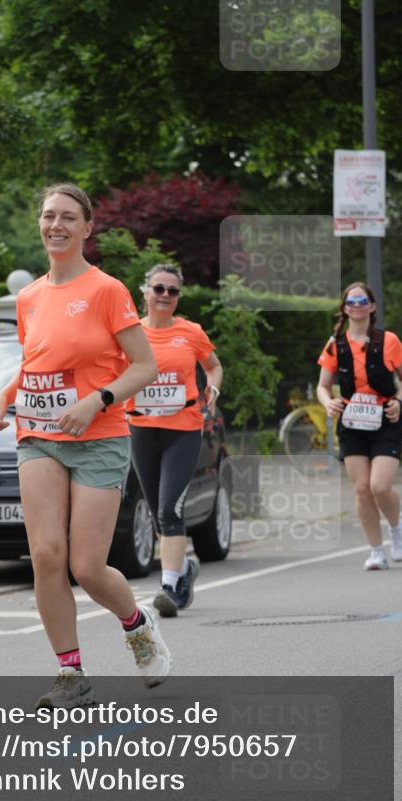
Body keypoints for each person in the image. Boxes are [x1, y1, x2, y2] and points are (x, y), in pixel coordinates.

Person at [0, 183, 171, 708]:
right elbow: (35, 363)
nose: (56, 225)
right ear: (39, 224)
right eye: (48, 216)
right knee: (45, 554)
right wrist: (3, 396)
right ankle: (71, 673)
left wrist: (98, 399)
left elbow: (145, 366)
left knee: (87, 567)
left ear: (88, 227)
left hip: (98, 437)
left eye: (68, 217)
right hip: (38, 435)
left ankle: (136, 623)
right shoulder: (29, 297)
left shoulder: (107, 290)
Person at [126, 264, 223, 617]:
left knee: (170, 508)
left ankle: (168, 586)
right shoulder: (129, 332)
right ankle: (183, 570)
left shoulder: (191, 332)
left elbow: (213, 365)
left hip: (183, 429)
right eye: (159, 289)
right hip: (141, 428)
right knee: (156, 511)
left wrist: (213, 386)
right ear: (145, 292)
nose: (165, 296)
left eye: (172, 291)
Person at [317, 282, 402, 571]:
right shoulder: (335, 345)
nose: (356, 305)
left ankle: (397, 528)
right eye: (351, 301)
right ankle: (376, 551)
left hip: (385, 419)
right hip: (352, 422)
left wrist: (399, 400)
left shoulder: (390, 341)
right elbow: (323, 386)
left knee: (379, 486)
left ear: (372, 307)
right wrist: (327, 403)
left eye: (362, 301)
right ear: (345, 309)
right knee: (361, 489)